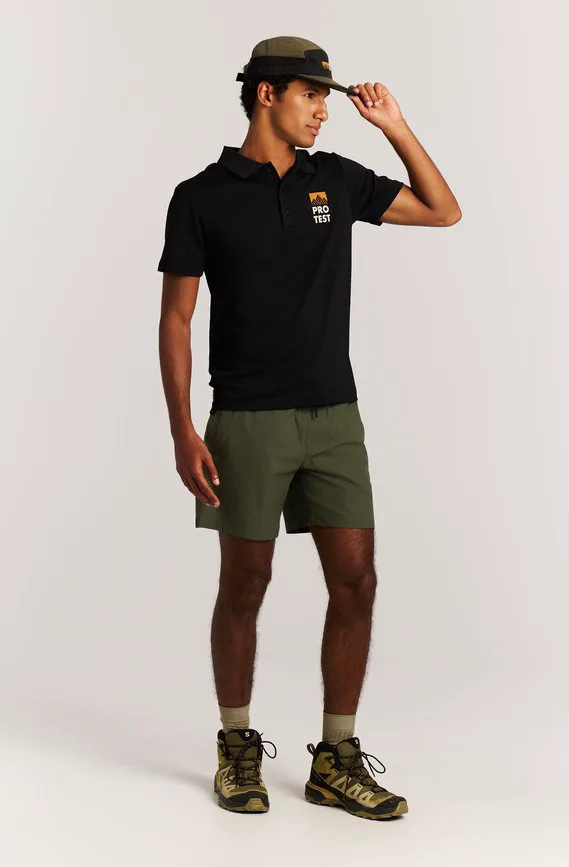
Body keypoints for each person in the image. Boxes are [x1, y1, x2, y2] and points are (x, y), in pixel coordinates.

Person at [157, 35, 461, 820]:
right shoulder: (201, 196)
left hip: (335, 415)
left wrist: (393, 126)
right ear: (267, 95)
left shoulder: (337, 179)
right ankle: (236, 744)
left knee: (357, 580)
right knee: (245, 582)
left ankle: (336, 756)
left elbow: (443, 209)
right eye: (311, 95)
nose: (324, 110)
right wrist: (183, 428)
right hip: (246, 419)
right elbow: (177, 318)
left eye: (327, 97)